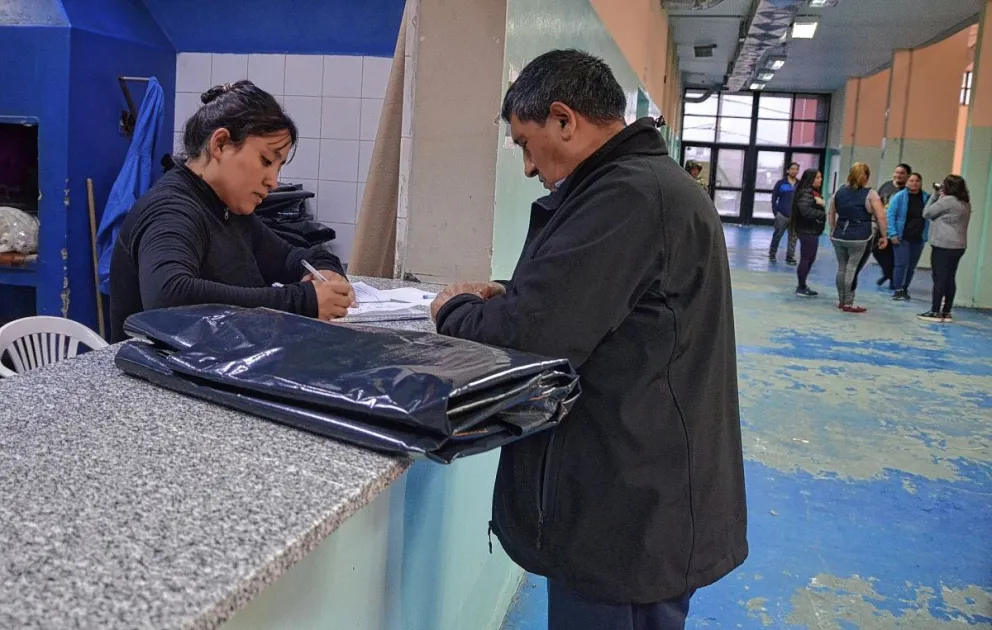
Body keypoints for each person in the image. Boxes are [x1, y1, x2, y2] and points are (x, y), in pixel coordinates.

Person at [430, 49, 747, 630]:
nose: (527, 166)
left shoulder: (626, 197)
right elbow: (607, 301)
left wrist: (453, 310)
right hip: (639, 491)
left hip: (628, 508)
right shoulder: (645, 186)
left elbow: (534, 336)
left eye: (526, 143)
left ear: (564, 120)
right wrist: (510, 291)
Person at [109, 81, 354, 342]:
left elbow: (290, 258)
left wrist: (325, 269)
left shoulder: (228, 209)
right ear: (221, 144)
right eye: (266, 161)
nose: (273, 181)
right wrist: (301, 300)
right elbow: (169, 294)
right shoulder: (171, 210)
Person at [829, 163, 889, 313]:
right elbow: (881, 216)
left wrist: (832, 229)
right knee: (852, 269)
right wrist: (884, 236)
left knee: (842, 268)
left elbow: (831, 212)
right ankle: (849, 303)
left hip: (839, 234)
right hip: (860, 236)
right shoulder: (871, 194)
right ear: (866, 177)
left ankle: (841, 301)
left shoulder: (839, 191)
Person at [920, 175, 972, 322]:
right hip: (959, 245)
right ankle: (946, 312)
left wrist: (935, 195)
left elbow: (927, 213)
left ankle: (934, 311)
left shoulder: (947, 201)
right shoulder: (965, 202)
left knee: (939, 278)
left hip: (943, 244)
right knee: (950, 278)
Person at [886, 173, 931, 301]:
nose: (914, 183)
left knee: (912, 266)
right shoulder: (899, 197)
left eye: (917, 181)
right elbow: (890, 215)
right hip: (902, 236)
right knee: (901, 264)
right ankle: (897, 288)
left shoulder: (926, 198)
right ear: (907, 182)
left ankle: (905, 288)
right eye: (911, 180)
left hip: (918, 237)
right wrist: (892, 233)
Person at [870, 163, 912, 287]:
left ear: (907, 176)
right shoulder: (886, 186)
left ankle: (893, 279)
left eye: (902, 173)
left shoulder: (908, 191)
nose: (898, 175)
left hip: (898, 228)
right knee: (877, 251)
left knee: (895, 256)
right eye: (897, 172)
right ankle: (889, 274)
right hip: (882, 226)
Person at [789, 169, 826, 297]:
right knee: (807, 258)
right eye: (817, 177)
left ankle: (803, 284)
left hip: (810, 230)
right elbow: (805, 211)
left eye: (820, 177)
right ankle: (801, 286)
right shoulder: (807, 193)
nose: (820, 180)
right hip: (807, 230)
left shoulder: (812, 193)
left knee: (810, 258)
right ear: (810, 179)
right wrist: (822, 213)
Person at [770, 162, 800, 265]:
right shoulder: (781, 183)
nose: (794, 171)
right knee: (777, 235)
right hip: (782, 215)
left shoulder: (799, 185)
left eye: (796, 169)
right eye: (792, 169)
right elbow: (774, 198)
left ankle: (790, 257)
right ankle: (772, 254)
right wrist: (776, 212)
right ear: (788, 170)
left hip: (795, 216)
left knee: (793, 238)